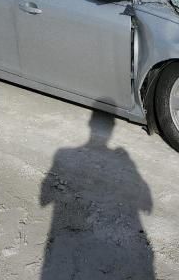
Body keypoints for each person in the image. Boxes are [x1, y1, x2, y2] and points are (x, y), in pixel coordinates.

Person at [40, 111, 154, 279]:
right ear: (112, 129)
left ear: (89, 126)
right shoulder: (123, 159)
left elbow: (43, 199)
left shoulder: (63, 154)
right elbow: (147, 205)